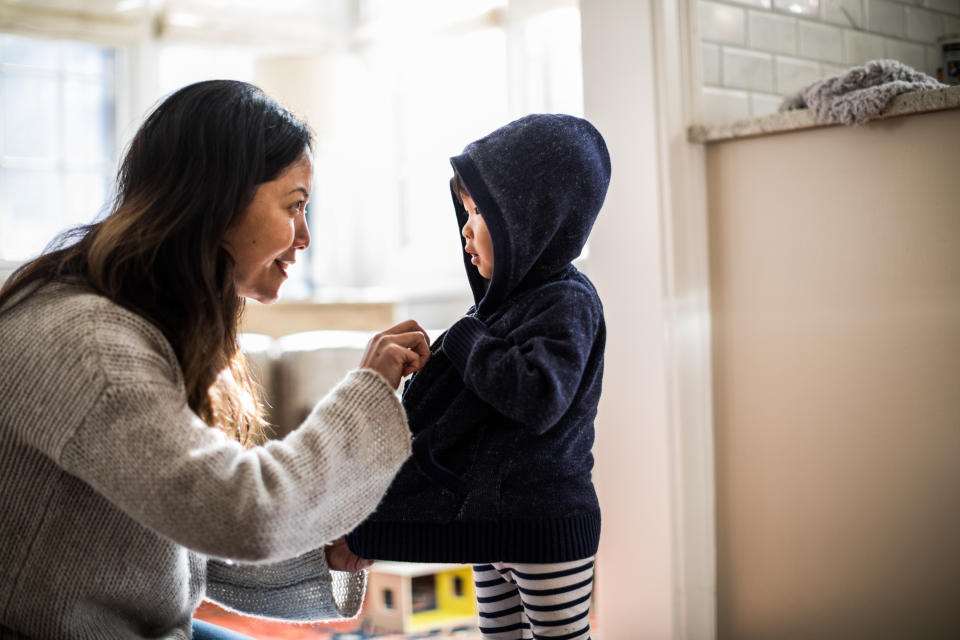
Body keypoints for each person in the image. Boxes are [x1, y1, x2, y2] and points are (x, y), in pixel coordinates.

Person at [0, 79, 430, 640]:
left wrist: (335, 551)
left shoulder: (147, 324)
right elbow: (243, 516)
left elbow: (184, 541)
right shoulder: (90, 350)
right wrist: (367, 390)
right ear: (218, 200)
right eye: (295, 205)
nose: (304, 237)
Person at [347, 114, 610, 640]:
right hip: (491, 523)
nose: (466, 227)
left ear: (530, 221)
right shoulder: (501, 309)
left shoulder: (568, 301)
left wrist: (464, 340)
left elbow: (538, 395)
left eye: (480, 213)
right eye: (463, 211)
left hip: (546, 524)